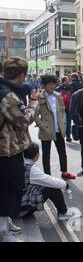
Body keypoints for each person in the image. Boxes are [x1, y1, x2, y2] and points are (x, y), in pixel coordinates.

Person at [0, 57, 39, 242]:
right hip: (5, 152)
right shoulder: (6, 95)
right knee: (9, 190)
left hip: (9, 149)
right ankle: (3, 233)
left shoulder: (6, 90)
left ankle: (6, 223)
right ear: (22, 74)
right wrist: (33, 102)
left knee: (9, 188)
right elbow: (24, 120)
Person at [20, 143, 81, 221]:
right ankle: (63, 213)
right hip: (22, 209)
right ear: (37, 155)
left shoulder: (21, 162)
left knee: (45, 185)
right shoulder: (31, 168)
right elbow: (50, 181)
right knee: (51, 186)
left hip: (16, 204)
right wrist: (65, 184)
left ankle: (62, 211)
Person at [35, 74, 76, 180]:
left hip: (58, 128)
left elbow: (62, 110)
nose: (52, 86)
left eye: (54, 84)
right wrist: (42, 126)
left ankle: (65, 172)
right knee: (46, 154)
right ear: (44, 85)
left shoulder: (58, 95)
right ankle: (47, 175)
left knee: (62, 151)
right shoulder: (40, 97)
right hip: (47, 130)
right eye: (50, 84)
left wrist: (63, 121)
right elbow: (35, 115)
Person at [56, 77, 73, 142]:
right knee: (61, 121)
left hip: (69, 107)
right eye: (66, 81)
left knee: (68, 122)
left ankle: (68, 136)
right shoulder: (58, 88)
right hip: (60, 108)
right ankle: (62, 135)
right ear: (63, 81)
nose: (68, 82)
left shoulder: (70, 87)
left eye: (68, 81)